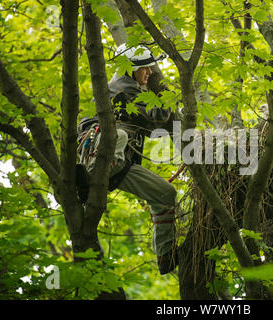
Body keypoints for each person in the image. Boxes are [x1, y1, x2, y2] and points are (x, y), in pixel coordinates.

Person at [77, 44, 177, 275]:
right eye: (145, 68)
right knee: (118, 135)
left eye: (151, 69)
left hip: (120, 163)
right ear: (129, 69)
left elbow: (153, 122)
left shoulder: (135, 91)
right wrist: (166, 97)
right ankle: (89, 178)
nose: (150, 73)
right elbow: (157, 115)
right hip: (101, 148)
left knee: (165, 194)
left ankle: (165, 254)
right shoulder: (119, 88)